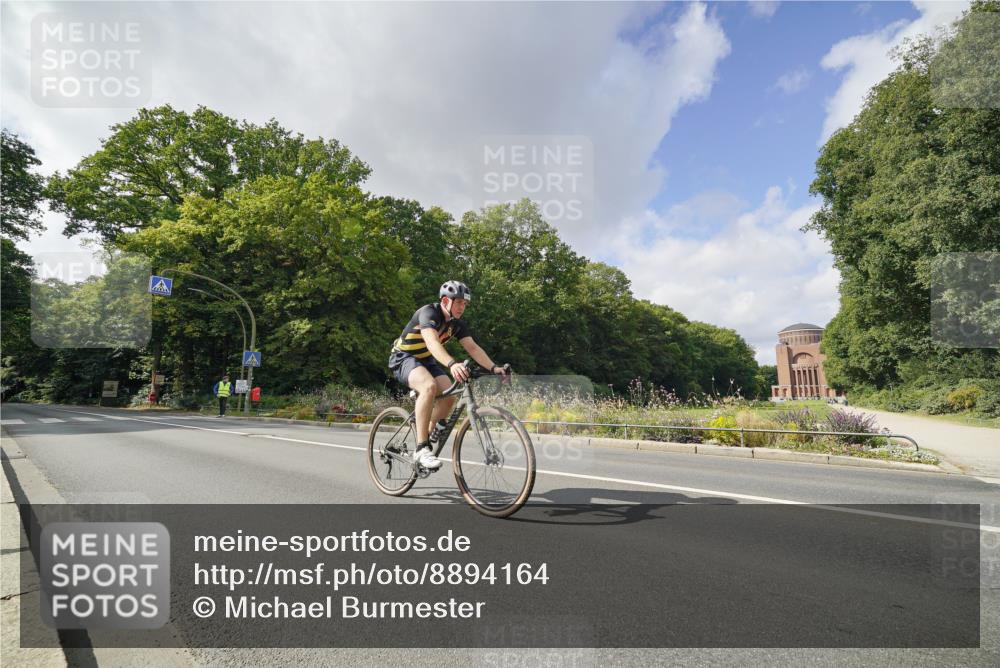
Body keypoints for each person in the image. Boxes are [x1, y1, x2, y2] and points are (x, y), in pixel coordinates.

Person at [388, 280, 507, 469]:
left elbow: (473, 348)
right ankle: (421, 449)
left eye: (465, 304)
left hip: (426, 360)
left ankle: (427, 433)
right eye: (459, 302)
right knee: (429, 387)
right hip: (404, 357)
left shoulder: (456, 325)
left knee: (449, 396)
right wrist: (452, 364)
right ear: (445, 300)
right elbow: (432, 343)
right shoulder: (429, 313)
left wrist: (494, 368)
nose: (462, 307)